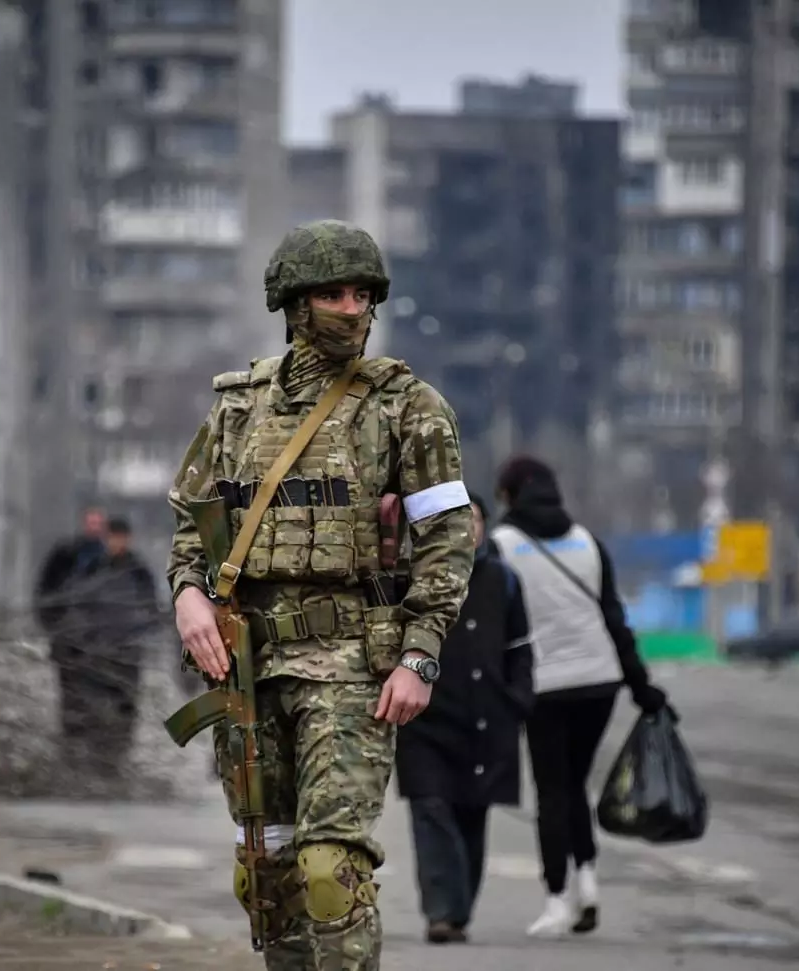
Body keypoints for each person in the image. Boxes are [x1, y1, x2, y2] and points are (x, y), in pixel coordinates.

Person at [167, 218, 475, 969]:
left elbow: (448, 538)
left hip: (349, 667)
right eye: (333, 293)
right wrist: (188, 594)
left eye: (363, 293)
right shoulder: (240, 406)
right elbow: (191, 523)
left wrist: (420, 654)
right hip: (249, 667)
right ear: (295, 304)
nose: (352, 307)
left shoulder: (407, 406)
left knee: (329, 872)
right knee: (265, 872)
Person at [489, 455, 670, 938]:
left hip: (543, 685)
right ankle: (587, 884)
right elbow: (615, 620)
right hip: (599, 682)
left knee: (552, 791)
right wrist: (642, 688)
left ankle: (556, 898)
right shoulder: (588, 542)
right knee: (575, 787)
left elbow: (494, 623)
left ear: (508, 495)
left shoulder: (502, 546)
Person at [395, 492, 534, 945]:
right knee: (431, 808)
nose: (466, 529)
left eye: (473, 520)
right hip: (426, 720)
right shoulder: (414, 577)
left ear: (485, 527)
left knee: (472, 816)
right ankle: (441, 912)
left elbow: (520, 650)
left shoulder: (504, 581)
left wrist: (517, 701)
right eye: (457, 521)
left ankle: (458, 911)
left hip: (486, 721)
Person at [58, 516, 162, 782]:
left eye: (121, 537)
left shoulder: (138, 570)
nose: (117, 542)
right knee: (93, 705)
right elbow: (78, 604)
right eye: (112, 537)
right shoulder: (92, 569)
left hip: (127, 653)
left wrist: (137, 636)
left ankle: (116, 759)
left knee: (125, 705)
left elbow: (152, 609)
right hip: (96, 651)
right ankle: (95, 759)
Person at [34, 507, 109, 765]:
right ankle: (73, 751)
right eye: (91, 522)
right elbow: (45, 592)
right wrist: (53, 625)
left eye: (99, 522)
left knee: (99, 696)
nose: (95, 527)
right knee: (71, 697)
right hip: (69, 641)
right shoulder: (65, 555)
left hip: (101, 645)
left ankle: (98, 753)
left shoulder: (111, 558)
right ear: (83, 523)